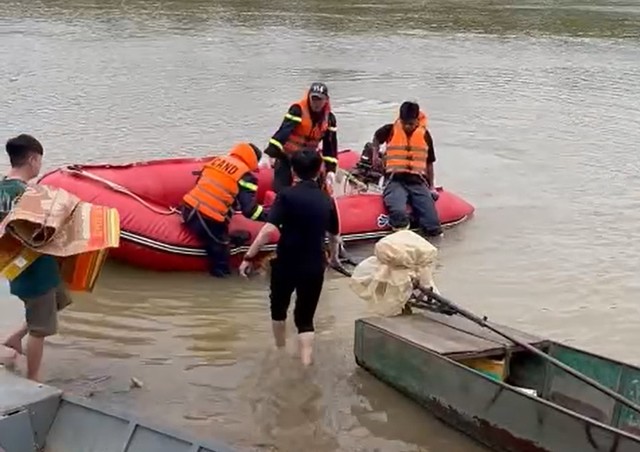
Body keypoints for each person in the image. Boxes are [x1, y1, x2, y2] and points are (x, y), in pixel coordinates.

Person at [239, 149, 341, 366]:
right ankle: (305, 366)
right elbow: (334, 236)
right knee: (305, 320)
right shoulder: (327, 200)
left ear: (293, 170)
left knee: (278, 310)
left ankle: (280, 352)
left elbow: (268, 231)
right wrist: (332, 259)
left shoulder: (285, 195)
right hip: (314, 265)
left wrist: (249, 256)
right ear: (319, 170)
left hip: (286, 263)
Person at [1, 134, 72, 382]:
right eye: (39, 160)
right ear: (32, 159)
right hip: (37, 271)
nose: (40, 165)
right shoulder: (30, 196)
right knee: (40, 329)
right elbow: (43, 234)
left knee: (58, 302)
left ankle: (14, 337)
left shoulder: (2, 189)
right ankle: (34, 379)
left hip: (17, 269)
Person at [181, 142, 267, 278]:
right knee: (222, 265)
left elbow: (201, 184)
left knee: (233, 234)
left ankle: (228, 239)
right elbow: (250, 210)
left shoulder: (217, 161)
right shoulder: (246, 175)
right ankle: (221, 285)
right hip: (207, 221)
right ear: (253, 160)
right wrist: (272, 216)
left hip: (187, 211)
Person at [370, 101, 443, 237]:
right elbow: (376, 138)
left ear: (417, 120)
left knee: (432, 223)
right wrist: (375, 155)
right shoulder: (390, 130)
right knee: (398, 213)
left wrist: (432, 187)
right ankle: (401, 238)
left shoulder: (425, 135)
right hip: (395, 180)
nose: (407, 126)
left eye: (411, 123)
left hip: (417, 181)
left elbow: (429, 163)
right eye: (404, 123)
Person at [261, 82, 339, 195]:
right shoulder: (297, 110)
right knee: (281, 189)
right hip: (288, 156)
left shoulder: (330, 119)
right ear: (309, 97)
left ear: (326, 100)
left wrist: (331, 170)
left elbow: (330, 146)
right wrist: (269, 154)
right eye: (314, 99)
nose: (316, 103)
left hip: (308, 160)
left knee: (317, 191)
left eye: (320, 100)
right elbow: (283, 132)